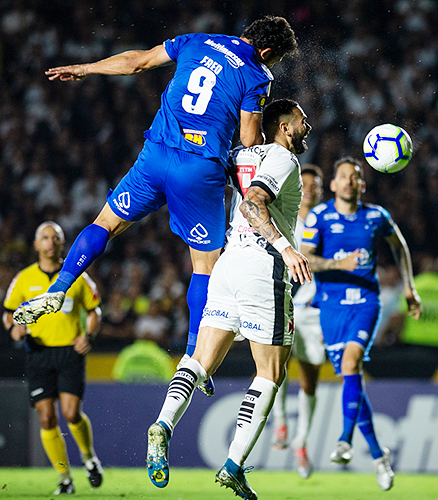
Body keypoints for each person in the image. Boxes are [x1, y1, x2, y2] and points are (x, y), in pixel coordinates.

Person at [13, 16, 298, 399]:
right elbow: (249, 139)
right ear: (266, 52)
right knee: (205, 266)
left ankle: (60, 287)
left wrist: (86, 68)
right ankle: (196, 357)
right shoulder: (257, 74)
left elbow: (136, 61)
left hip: (156, 154)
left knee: (106, 222)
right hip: (198, 169)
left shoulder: (196, 40)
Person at [145, 99, 312, 500]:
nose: (308, 126)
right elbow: (254, 202)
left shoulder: (238, 156)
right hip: (262, 269)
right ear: (284, 127)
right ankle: (234, 465)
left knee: (200, 360)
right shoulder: (283, 159)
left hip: (226, 265)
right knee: (270, 374)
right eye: (302, 121)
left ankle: (163, 424)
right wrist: (284, 248)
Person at [301, 157, 422, 491]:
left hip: (367, 302)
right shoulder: (319, 216)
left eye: (355, 177)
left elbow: (399, 245)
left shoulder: (376, 216)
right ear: (334, 185)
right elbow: (305, 257)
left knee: (352, 363)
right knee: (350, 378)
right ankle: (379, 455)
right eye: (343, 177)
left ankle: (343, 440)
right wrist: (340, 262)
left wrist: (410, 288)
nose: (350, 182)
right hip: (330, 307)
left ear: (362, 185)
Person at [3, 222, 103, 495]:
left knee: (71, 414)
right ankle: (65, 478)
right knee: (47, 418)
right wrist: (15, 328)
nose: (50, 242)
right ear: (36, 245)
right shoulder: (23, 278)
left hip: (69, 352)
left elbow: (95, 310)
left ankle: (89, 457)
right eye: (44, 237)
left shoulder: (78, 276)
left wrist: (89, 337)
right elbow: (8, 312)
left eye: (55, 238)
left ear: (62, 244)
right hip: (38, 353)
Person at [268, 164, 340, 479]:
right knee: (276, 366)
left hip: (312, 311)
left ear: (323, 190)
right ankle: (281, 422)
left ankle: (302, 441)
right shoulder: (283, 215)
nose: (310, 188)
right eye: (305, 183)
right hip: (281, 303)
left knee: (310, 377)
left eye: (316, 184)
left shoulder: (329, 221)